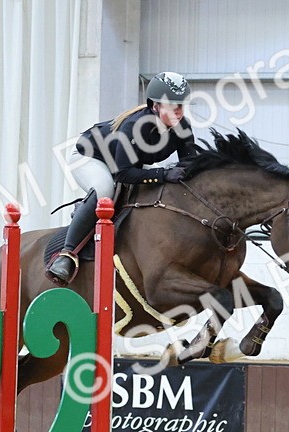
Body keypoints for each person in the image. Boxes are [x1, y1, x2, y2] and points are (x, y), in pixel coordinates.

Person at [48, 72, 199, 285]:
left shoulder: (182, 128)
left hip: (129, 161)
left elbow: (190, 163)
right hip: (91, 156)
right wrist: (163, 173)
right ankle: (67, 254)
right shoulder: (136, 126)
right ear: (155, 106)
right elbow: (123, 174)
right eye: (171, 105)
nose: (178, 111)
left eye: (181, 106)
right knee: (105, 190)